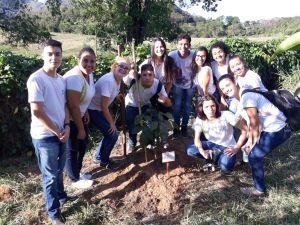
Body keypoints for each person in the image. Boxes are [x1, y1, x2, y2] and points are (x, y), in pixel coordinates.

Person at [219, 75, 292, 195]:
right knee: (253, 154)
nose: (226, 89)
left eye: (227, 85)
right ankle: (258, 185)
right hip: (272, 129)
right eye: (223, 88)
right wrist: (248, 142)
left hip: (279, 129)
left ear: (235, 82)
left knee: (254, 156)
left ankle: (259, 190)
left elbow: (254, 122)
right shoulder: (240, 100)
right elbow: (248, 124)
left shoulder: (247, 97)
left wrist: (251, 142)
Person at [27, 39, 70, 225]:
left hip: (61, 132)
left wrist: (67, 126)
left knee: (59, 170)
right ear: (42, 56)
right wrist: (57, 131)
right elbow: (37, 111)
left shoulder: (61, 80)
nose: (54, 57)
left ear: (62, 55)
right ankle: (54, 214)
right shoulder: (36, 79)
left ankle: (61, 196)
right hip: (45, 136)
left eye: (57, 53)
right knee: (50, 176)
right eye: (50, 54)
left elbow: (65, 106)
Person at [185, 95, 248, 173]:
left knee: (225, 168)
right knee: (190, 150)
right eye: (206, 107)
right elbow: (197, 139)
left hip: (227, 147)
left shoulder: (226, 115)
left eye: (212, 106)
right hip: (210, 144)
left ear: (216, 106)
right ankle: (212, 156)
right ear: (202, 108)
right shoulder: (200, 119)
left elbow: (245, 129)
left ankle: (215, 159)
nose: (210, 109)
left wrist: (237, 147)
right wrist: (202, 151)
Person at [88, 57, 131, 170]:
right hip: (94, 110)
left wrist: (116, 95)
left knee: (109, 134)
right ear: (114, 65)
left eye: (127, 68)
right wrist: (111, 123)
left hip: (98, 109)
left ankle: (98, 157)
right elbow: (103, 106)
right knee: (112, 134)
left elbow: (107, 94)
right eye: (121, 66)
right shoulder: (109, 81)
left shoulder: (117, 79)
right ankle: (104, 161)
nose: (123, 69)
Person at [63, 47, 96, 189]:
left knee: (82, 146)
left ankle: (77, 172)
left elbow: (85, 96)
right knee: (72, 149)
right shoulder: (75, 77)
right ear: (78, 60)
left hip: (81, 115)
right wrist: (80, 128)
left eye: (92, 61)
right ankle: (74, 180)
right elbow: (73, 106)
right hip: (69, 118)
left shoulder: (89, 75)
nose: (89, 64)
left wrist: (86, 111)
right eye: (85, 60)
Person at [124, 64, 172, 152]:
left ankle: (150, 141)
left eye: (150, 75)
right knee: (132, 125)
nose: (147, 77)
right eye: (144, 75)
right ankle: (132, 143)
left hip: (145, 104)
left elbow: (169, 104)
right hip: (131, 104)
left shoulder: (158, 84)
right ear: (140, 75)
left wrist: (165, 100)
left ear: (154, 75)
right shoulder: (134, 79)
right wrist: (130, 71)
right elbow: (124, 78)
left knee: (153, 121)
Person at [168, 33, 195, 137]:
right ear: (177, 44)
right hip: (177, 85)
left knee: (187, 107)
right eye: (180, 44)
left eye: (186, 44)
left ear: (189, 45)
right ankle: (176, 128)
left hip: (191, 85)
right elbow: (167, 70)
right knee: (177, 106)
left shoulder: (194, 55)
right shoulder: (172, 55)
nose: (183, 47)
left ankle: (184, 127)